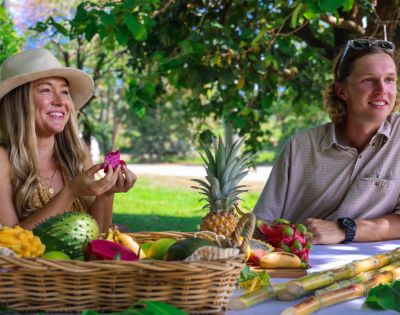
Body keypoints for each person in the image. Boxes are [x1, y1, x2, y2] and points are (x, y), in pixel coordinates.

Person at [253, 38, 400, 245]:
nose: (382, 89)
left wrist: (344, 229)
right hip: (298, 269)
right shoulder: (301, 147)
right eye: (368, 80)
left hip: (374, 272)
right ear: (342, 91)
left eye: (390, 79)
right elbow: (261, 225)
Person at [0, 48, 136, 233]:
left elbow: (96, 236)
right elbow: (10, 245)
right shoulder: (3, 160)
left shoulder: (78, 155)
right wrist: (71, 192)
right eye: (46, 90)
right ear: (19, 102)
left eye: (64, 92)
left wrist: (106, 191)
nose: (60, 101)